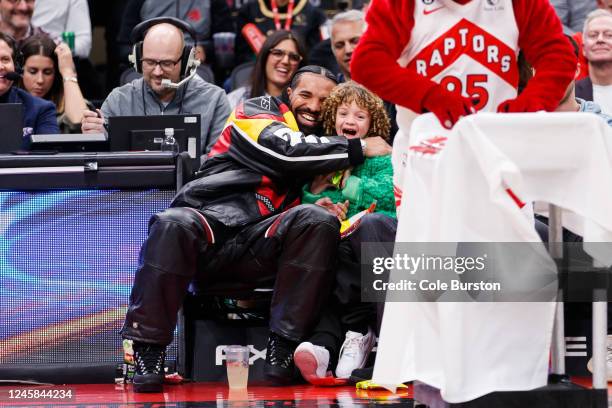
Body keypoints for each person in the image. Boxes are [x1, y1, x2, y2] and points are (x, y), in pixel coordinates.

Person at [119, 65, 392, 392]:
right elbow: (285, 153)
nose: (315, 106)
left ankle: (283, 349)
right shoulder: (258, 110)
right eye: (306, 95)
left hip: (262, 244)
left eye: (324, 99)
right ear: (289, 94)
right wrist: (360, 147)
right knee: (172, 223)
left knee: (317, 220)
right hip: (211, 223)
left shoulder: (326, 146)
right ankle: (148, 351)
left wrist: (318, 201)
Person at [295, 80, 396, 383]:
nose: (349, 121)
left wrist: (345, 185)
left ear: (373, 123)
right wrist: (322, 203)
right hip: (340, 241)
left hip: (377, 241)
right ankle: (324, 347)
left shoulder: (381, 156)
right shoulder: (329, 156)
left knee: (349, 250)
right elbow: (313, 195)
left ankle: (358, 334)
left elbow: (386, 194)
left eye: (359, 116)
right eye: (343, 113)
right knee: (323, 251)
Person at [351, 0, 577, 130]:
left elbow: (558, 56)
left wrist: (530, 105)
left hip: (497, 143)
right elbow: (367, 62)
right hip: (424, 149)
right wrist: (431, 96)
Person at [81, 18, 231, 157]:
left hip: (195, 185)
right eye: (150, 62)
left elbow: (219, 163)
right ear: (138, 61)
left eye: (167, 64)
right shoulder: (119, 100)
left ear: (186, 62)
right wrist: (96, 138)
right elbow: (101, 163)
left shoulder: (215, 100)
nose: (157, 72)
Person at [117, 0, 234, 68]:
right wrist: (145, 54)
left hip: (197, 68)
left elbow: (227, 40)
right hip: (150, 69)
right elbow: (123, 47)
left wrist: (205, 49)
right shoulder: (139, 2)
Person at [19, 34, 88, 133]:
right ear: (20, 70)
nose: (40, 80)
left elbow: (79, 122)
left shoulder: (69, 102)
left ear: (56, 73)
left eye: (47, 72)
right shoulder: (10, 98)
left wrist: (67, 71)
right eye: (33, 71)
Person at [227, 29, 306, 108]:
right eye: (278, 53)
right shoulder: (236, 100)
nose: (285, 61)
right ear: (264, 57)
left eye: (294, 57)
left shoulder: (304, 105)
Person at [0, 32, 58, 137]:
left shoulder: (41, 109)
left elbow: (48, 151)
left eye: (5, 59)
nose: (1, 66)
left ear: (16, 66)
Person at [235, 0, 326, 65]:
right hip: (256, 68)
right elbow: (242, 53)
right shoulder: (249, 10)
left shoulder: (311, 12)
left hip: (298, 69)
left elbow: (314, 54)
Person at [576, 9, 612, 113]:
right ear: (583, 49)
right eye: (593, 35)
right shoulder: (572, 96)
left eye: (609, 35)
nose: (600, 39)